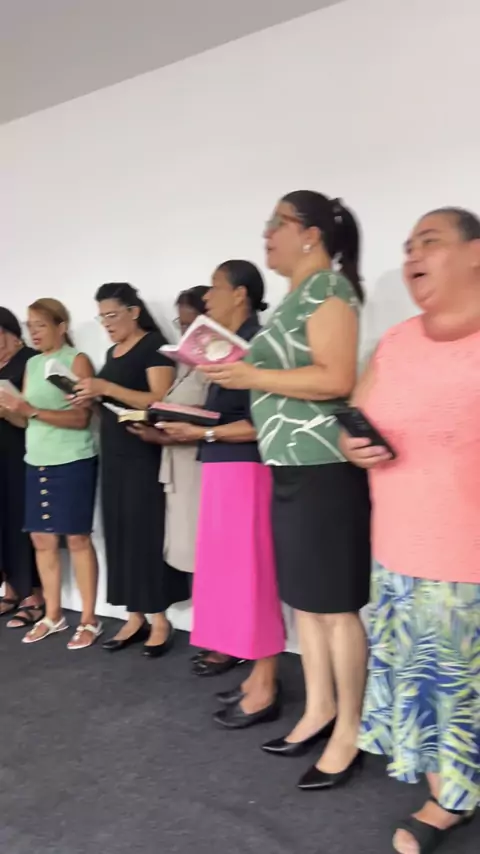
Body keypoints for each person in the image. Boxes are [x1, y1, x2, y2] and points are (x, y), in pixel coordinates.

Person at [204, 192, 371, 784]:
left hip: (324, 467)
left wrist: (250, 373)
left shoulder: (329, 290)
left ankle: (350, 728)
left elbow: (336, 377)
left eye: (277, 223)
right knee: (307, 603)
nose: (267, 234)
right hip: (290, 466)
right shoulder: (293, 301)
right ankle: (319, 709)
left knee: (336, 609)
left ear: (310, 234)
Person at [341, 207, 480, 854]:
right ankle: (448, 796)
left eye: (430, 241)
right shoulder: (396, 341)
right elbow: (355, 421)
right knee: (428, 684)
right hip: (402, 547)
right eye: (407, 247)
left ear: (476, 254)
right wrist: (353, 445)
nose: (413, 256)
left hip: (470, 553)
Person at [162, 261, 285, 727]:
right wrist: (193, 424)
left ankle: (267, 683)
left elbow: (261, 422)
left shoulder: (257, 346)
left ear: (240, 294)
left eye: (215, 288)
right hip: (221, 466)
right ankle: (256, 675)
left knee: (253, 576)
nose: (207, 298)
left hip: (245, 469)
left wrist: (202, 433)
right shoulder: (224, 347)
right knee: (230, 576)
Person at [74, 283, 189, 656]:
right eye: (101, 317)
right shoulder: (112, 352)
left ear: (133, 312)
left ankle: (160, 619)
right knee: (120, 533)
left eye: (112, 315)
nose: (107, 323)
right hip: (115, 453)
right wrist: (91, 399)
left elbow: (159, 400)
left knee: (145, 533)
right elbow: (111, 407)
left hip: (143, 453)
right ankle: (134, 615)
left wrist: (105, 386)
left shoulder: (153, 346)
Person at [0, 299, 101, 648]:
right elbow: (26, 420)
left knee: (77, 540)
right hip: (36, 459)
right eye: (30, 327)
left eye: (40, 325)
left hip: (72, 459)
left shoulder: (76, 360)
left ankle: (89, 620)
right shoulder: (33, 364)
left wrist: (30, 410)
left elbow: (82, 418)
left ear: (61, 326)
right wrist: (10, 409)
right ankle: (53, 615)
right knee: (41, 541)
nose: (34, 333)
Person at [129, 286, 209, 580]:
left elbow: (218, 412)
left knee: (202, 549)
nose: (185, 332)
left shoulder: (217, 364)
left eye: (192, 324)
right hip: (178, 461)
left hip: (199, 465)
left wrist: (173, 420)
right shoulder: (185, 363)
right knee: (186, 548)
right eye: (181, 325)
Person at [0, 308, 43, 628]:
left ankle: (34, 595)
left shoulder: (29, 361)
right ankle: (11, 588)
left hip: (20, 451)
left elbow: (32, 413)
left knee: (22, 521)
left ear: (12, 333)